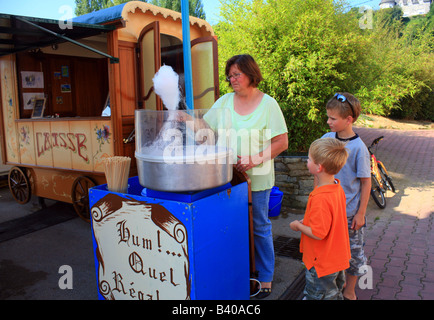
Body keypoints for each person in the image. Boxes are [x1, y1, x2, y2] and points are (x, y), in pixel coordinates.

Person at [209, 54, 288, 298]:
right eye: (229, 75)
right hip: (227, 179)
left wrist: (253, 159)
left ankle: (265, 277)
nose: (232, 79)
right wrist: (185, 119)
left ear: (251, 74)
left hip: (259, 178)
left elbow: (281, 142)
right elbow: (204, 128)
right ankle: (238, 270)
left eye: (236, 74)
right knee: (230, 226)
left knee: (259, 227)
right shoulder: (223, 102)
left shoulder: (268, 104)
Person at [320, 93, 371, 300]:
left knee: (354, 255)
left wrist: (361, 214)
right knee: (330, 252)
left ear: (348, 120)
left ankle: (349, 291)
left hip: (349, 215)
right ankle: (329, 288)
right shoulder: (325, 140)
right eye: (328, 117)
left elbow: (366, 182)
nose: (328, 121)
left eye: (333, 118)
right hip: (328, 212)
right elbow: (318, 172)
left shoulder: (359, 148)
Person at [290, 138, 351, 300]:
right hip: (337, 258)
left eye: (309, 159)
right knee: (334, 294)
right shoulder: (337, 188)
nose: (306, 161)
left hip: (321, 264)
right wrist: (307, 222)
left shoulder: (320, 198)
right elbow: (330, 220)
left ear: (319, 167)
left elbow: (318, 233)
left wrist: (298, 225)